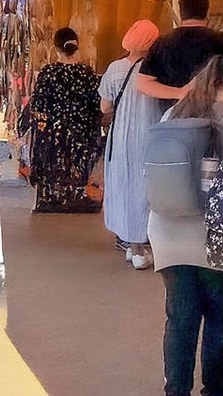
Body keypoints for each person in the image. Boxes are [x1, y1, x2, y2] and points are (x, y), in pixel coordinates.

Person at [150, 56, 223, 396]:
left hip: (167, 232)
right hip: (217, 238)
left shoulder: (173, 114)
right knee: (221, 318)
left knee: (180, 318)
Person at [99, 20, 164, 268]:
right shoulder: (158, 70)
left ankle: (131, 245)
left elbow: (105, 107)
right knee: (145, 190)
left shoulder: (115, 68)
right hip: (150, 135)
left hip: (121, 137)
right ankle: (139, 250)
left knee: (124, 187)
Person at [26, 28, 103, 213]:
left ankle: (51, 197)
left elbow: (36, 104)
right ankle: (77, 197)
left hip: (54, 134)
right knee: (77, 163)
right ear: (77, 47)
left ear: (56, 48)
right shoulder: (87, 73)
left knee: (54, 162)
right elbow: (97, 105)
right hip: (80, 134)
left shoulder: (48, 72)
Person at [136, 0, 223, 104]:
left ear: (181, 13)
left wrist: (179, 93)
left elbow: (143, 84)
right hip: (214, 110)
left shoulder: (162, 43)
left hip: (174, 112)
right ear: (207, 13)